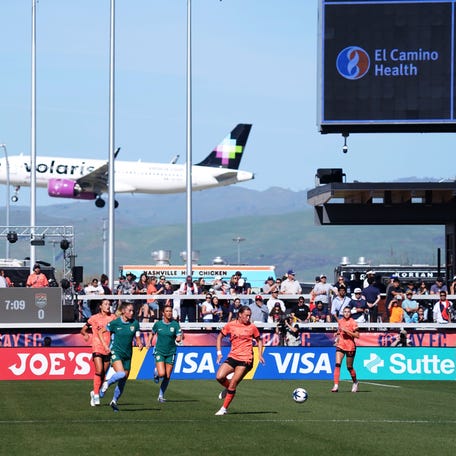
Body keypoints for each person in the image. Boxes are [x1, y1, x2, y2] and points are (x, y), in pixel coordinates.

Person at [215, 305, 264, 415]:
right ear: (240, 315)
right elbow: (219, 337)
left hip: (246, 359)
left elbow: (259, 340)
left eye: (249, 316)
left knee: (233, 384)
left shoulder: (252, 327)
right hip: (233, 356)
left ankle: (224, 409)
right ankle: (229, 390)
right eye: (246, 315)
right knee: (219, 376)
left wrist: (260, 355)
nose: (248, 318)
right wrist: (219, 353)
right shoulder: (231, 325)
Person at [99, 302, 143, 412]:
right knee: (121, 373)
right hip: (116, 352)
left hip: (128, 355)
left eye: (133, 311)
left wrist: (139, 343)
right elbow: (100, 331)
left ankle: (114, 401)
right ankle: (106, 383)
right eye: (130, 310)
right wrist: (105, 345)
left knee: (123, 380)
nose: (132, 313)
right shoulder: (115, 323)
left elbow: (137, 337)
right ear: (123, 311)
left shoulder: (135, 323)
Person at [80, 299, 116, 406]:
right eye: (105, 304)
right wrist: (85, 335)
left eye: (109, 304)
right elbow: (83, 329)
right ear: (100, 306)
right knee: (99, 370)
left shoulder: (113, 317)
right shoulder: (94, 318)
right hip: (97, 346)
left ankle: (94, 392)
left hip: (108, 348)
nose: (108, 306)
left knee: (103, 375)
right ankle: (96, 395)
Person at [147, 304, 183, 403]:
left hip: (171, 352)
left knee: (167, 376)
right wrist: (149, 342)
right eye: (167, 311)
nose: (169, 313)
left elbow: (179, 335)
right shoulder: (158, 324)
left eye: (170, 311)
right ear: (163, 313)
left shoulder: (175, 324)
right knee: (162, 373)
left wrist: (179, 338)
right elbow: (152, 333)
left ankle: (161, 396)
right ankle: (156, 373)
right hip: (159, 351)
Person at [331, 306, 360, 393]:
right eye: (345, 312)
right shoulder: (340, 321)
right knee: (337, 364)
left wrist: (347, 331)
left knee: (349, 367)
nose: (346, 313)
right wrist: (337, 334)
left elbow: (357, 335)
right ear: (342, 313)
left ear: (350, 313)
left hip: (350, 346)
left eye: (348, 312)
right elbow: (340, 332)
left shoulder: (353, 322)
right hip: (341, 345)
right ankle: (336, 385)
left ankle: (355, 382)